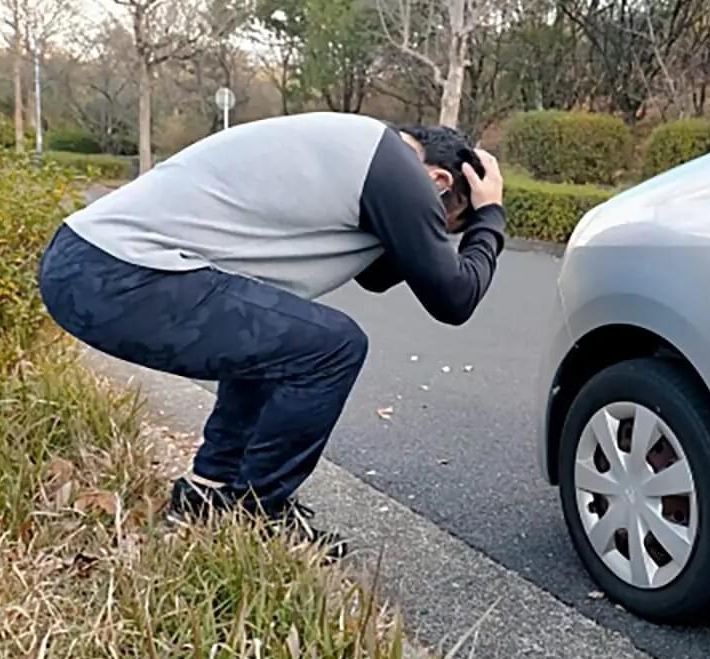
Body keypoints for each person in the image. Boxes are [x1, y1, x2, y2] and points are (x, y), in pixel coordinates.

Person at [37, 112, 507, 559]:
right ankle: (259, 513)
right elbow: (454, 298)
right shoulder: (400, 171)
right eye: (445, 224)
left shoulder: (364, 152)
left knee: (283, 334)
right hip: (117, 274)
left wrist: (448, 228)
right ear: (440, 184)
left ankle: (209, 493)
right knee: (333, 348)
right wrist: (489, 218)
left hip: (88, 264)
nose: (432, 232)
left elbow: (379, 275)